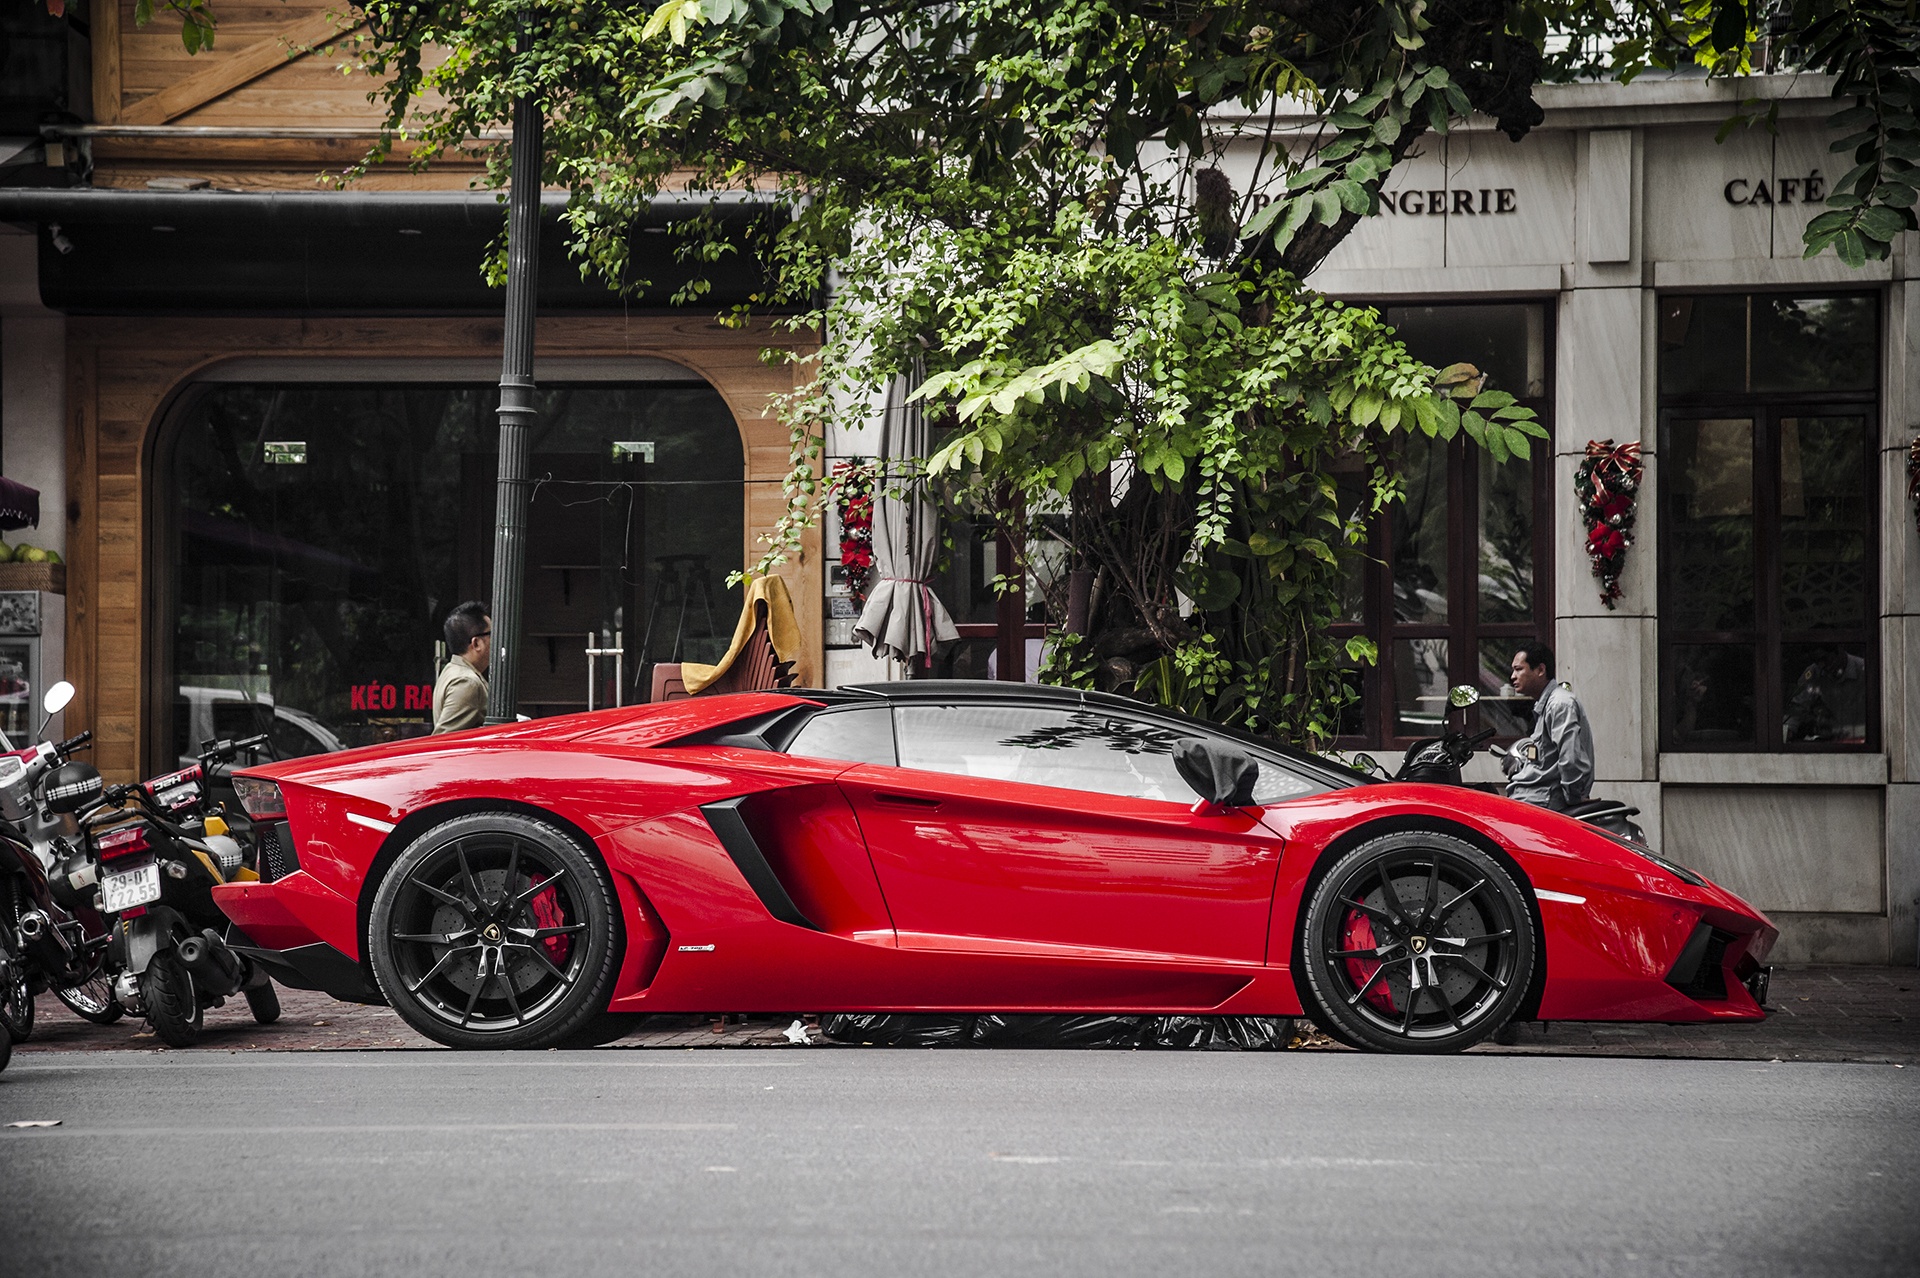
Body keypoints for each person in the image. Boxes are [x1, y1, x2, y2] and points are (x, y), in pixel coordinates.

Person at [1500, 642, 1595, 811]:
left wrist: (1574, 798)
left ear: (1540, 670)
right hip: (1532, 798)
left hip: (1540, 802)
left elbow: (1570, 758)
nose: (1512, 676)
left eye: (1519, 669)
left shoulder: (1559, 704)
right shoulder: (1545, 705)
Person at [432, 601, 491, 733]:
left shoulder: (452, 670)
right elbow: (445, 739)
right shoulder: (467, 682)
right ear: (476, 643)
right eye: (492, 634)